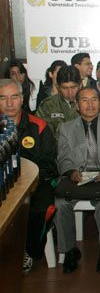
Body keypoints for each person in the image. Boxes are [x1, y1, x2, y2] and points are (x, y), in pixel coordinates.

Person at [54, 87, 100, 274]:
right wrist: (71, 171)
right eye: (84, 100)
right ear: (77, 106)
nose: (90, 104)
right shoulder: (66, 128)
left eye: (94, 99)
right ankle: (69, 251)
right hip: (78, 179)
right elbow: (63, 156)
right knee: (60, 205)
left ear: (99, 103)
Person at [0, 79, 58, 273]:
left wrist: (30, 185)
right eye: (3, 98)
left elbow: (49, 165)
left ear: (22, 99)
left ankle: (30, 251)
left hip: (35, 185)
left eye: (14, 97)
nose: (9, 103)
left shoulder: (39, 126)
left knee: (42, 209)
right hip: (3, 184)